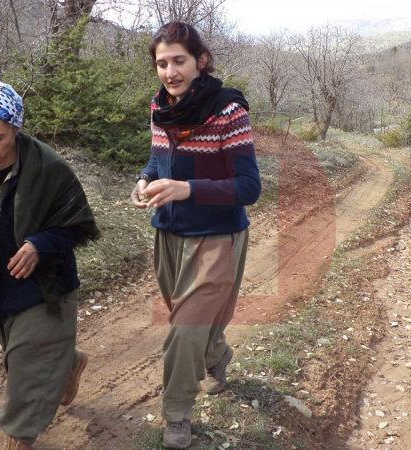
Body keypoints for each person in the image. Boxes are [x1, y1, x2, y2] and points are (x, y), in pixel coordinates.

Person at [0, 80, 100, 450]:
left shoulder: (50, 168)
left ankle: (20, 438)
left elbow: (77, 224)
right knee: (19, 360)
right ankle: (66, 362)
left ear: (15, 128)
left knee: (27, 375)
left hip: (45, 287)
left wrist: (39, 244)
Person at [130, 22, 261, 449]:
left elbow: (249, 187)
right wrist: (145, 180)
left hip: (217, 236)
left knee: (185, 328)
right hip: (168, 233)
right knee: (189, 323)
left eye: (179, 61)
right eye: (162, 63)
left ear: (200, 61)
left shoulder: (228, 112)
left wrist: (188, 189)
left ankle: (177, 414)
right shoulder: (160, 108)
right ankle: (217, 354)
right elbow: (157, 160)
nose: (170, 72)